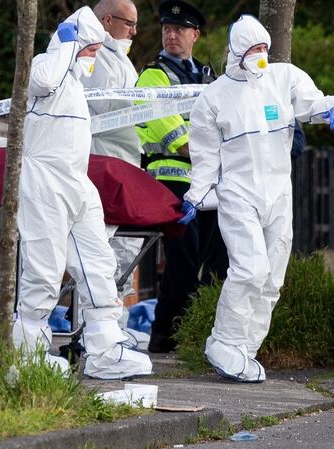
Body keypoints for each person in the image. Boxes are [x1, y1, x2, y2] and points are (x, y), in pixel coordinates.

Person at [180, 15, 334, 382]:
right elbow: (206, 156)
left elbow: (311, 103)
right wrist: (195, 196)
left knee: (272, 278)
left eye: (264, 50)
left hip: (279, 193)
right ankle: (222, 341)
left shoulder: (282, 77)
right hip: (239, 194)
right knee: (249, 269)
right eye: (254, 50)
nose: (261, 56)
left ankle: (245, 349)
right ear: (237, 53)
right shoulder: (214, 98)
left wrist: (332, 106)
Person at [13, 5, 153, 380]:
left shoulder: (74, 83)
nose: (92, 57)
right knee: (43, 270)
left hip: (77, 181)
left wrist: (77, 52)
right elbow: (40, 81)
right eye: (89, 50)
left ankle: (105, 348)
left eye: (95, 50)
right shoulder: (48, 66)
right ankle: (28, 356)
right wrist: (63, 45)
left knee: (99, 265)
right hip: (44, 180)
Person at [134, 0, 228, 353]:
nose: (171, 35)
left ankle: (202, 331)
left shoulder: (208, 77)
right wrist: (208, 147)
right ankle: (168, 336)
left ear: (195, 35)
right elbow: (175, 137)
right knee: (184, 262)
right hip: (171, 182)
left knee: (221, 259)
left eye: (179, 29)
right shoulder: (153, 75)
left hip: (211, 184)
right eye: (166, 29)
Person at [82, 0, 144, 328]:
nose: (134, 31)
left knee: (123, 255)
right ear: (107, 20)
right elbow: (104, 112)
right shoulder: (97, 61)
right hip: (105, 167)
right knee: (106, 256)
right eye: (128, 24)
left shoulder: (119, 59)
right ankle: (99, 331)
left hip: (122, 167)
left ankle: (115, 329)